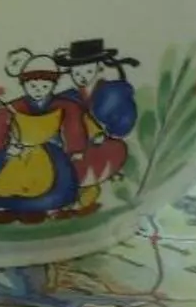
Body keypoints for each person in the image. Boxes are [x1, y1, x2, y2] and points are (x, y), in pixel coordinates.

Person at [0, 51, 90, 223]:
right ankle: (9, 210)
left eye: (44, 87)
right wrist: (4, 147)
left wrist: (76, 148)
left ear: (53, 86)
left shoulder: (64, 106)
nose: (38, 91)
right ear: (25, 86)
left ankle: (35, 211)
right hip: (16, 151)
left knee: (54, 184)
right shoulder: (13, 107)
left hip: (49, 154)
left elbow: (74, 127)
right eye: (33, 86)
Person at [57, 38, 140, 215]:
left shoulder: (112, 92)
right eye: (77, 72)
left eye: (88, 70)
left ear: (99, 68)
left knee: (90, 173)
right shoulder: (69, 96)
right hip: (74, 147)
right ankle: (69, 203)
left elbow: (124, 121)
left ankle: (84, 204)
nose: (82, 76)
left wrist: (107, 131)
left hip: (103, 146)